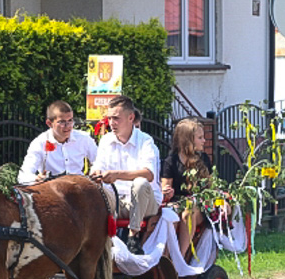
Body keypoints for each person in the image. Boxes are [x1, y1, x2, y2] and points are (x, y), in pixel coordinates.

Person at [91, 96, 162, 255]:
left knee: (140, 183)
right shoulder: (106, 140)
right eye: (109, 118)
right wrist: (95, 173)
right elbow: (98, 166)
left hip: (145, 203)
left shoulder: (145, 141)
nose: (111, 123)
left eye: (116, 118)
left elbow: (148, 174)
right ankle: (95, 242)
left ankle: (133, 237)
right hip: (117, 200)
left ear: (131, 118)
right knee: (92, 189)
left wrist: (117, 175)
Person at [161, 117, 213, 258]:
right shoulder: (171, 161)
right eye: (200, 137)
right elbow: (165, 188)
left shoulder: (203, 159)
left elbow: (210, 188)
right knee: (171, 213)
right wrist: (166, 192)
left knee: (187, 212)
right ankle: (164, 257)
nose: (204, 141)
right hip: (177, 202)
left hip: (199, 204)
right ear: (188, 140)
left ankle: (180, 257)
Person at [18, 100, 98, 184]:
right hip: (53, 190)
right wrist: (36, 179)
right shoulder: (39, 143)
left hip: (79, 188)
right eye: (62, 122)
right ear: (49, 123)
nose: (68, 126)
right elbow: (23, 175)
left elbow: (99, 161)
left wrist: (95, 170)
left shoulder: (83, 138)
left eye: (70, 120)